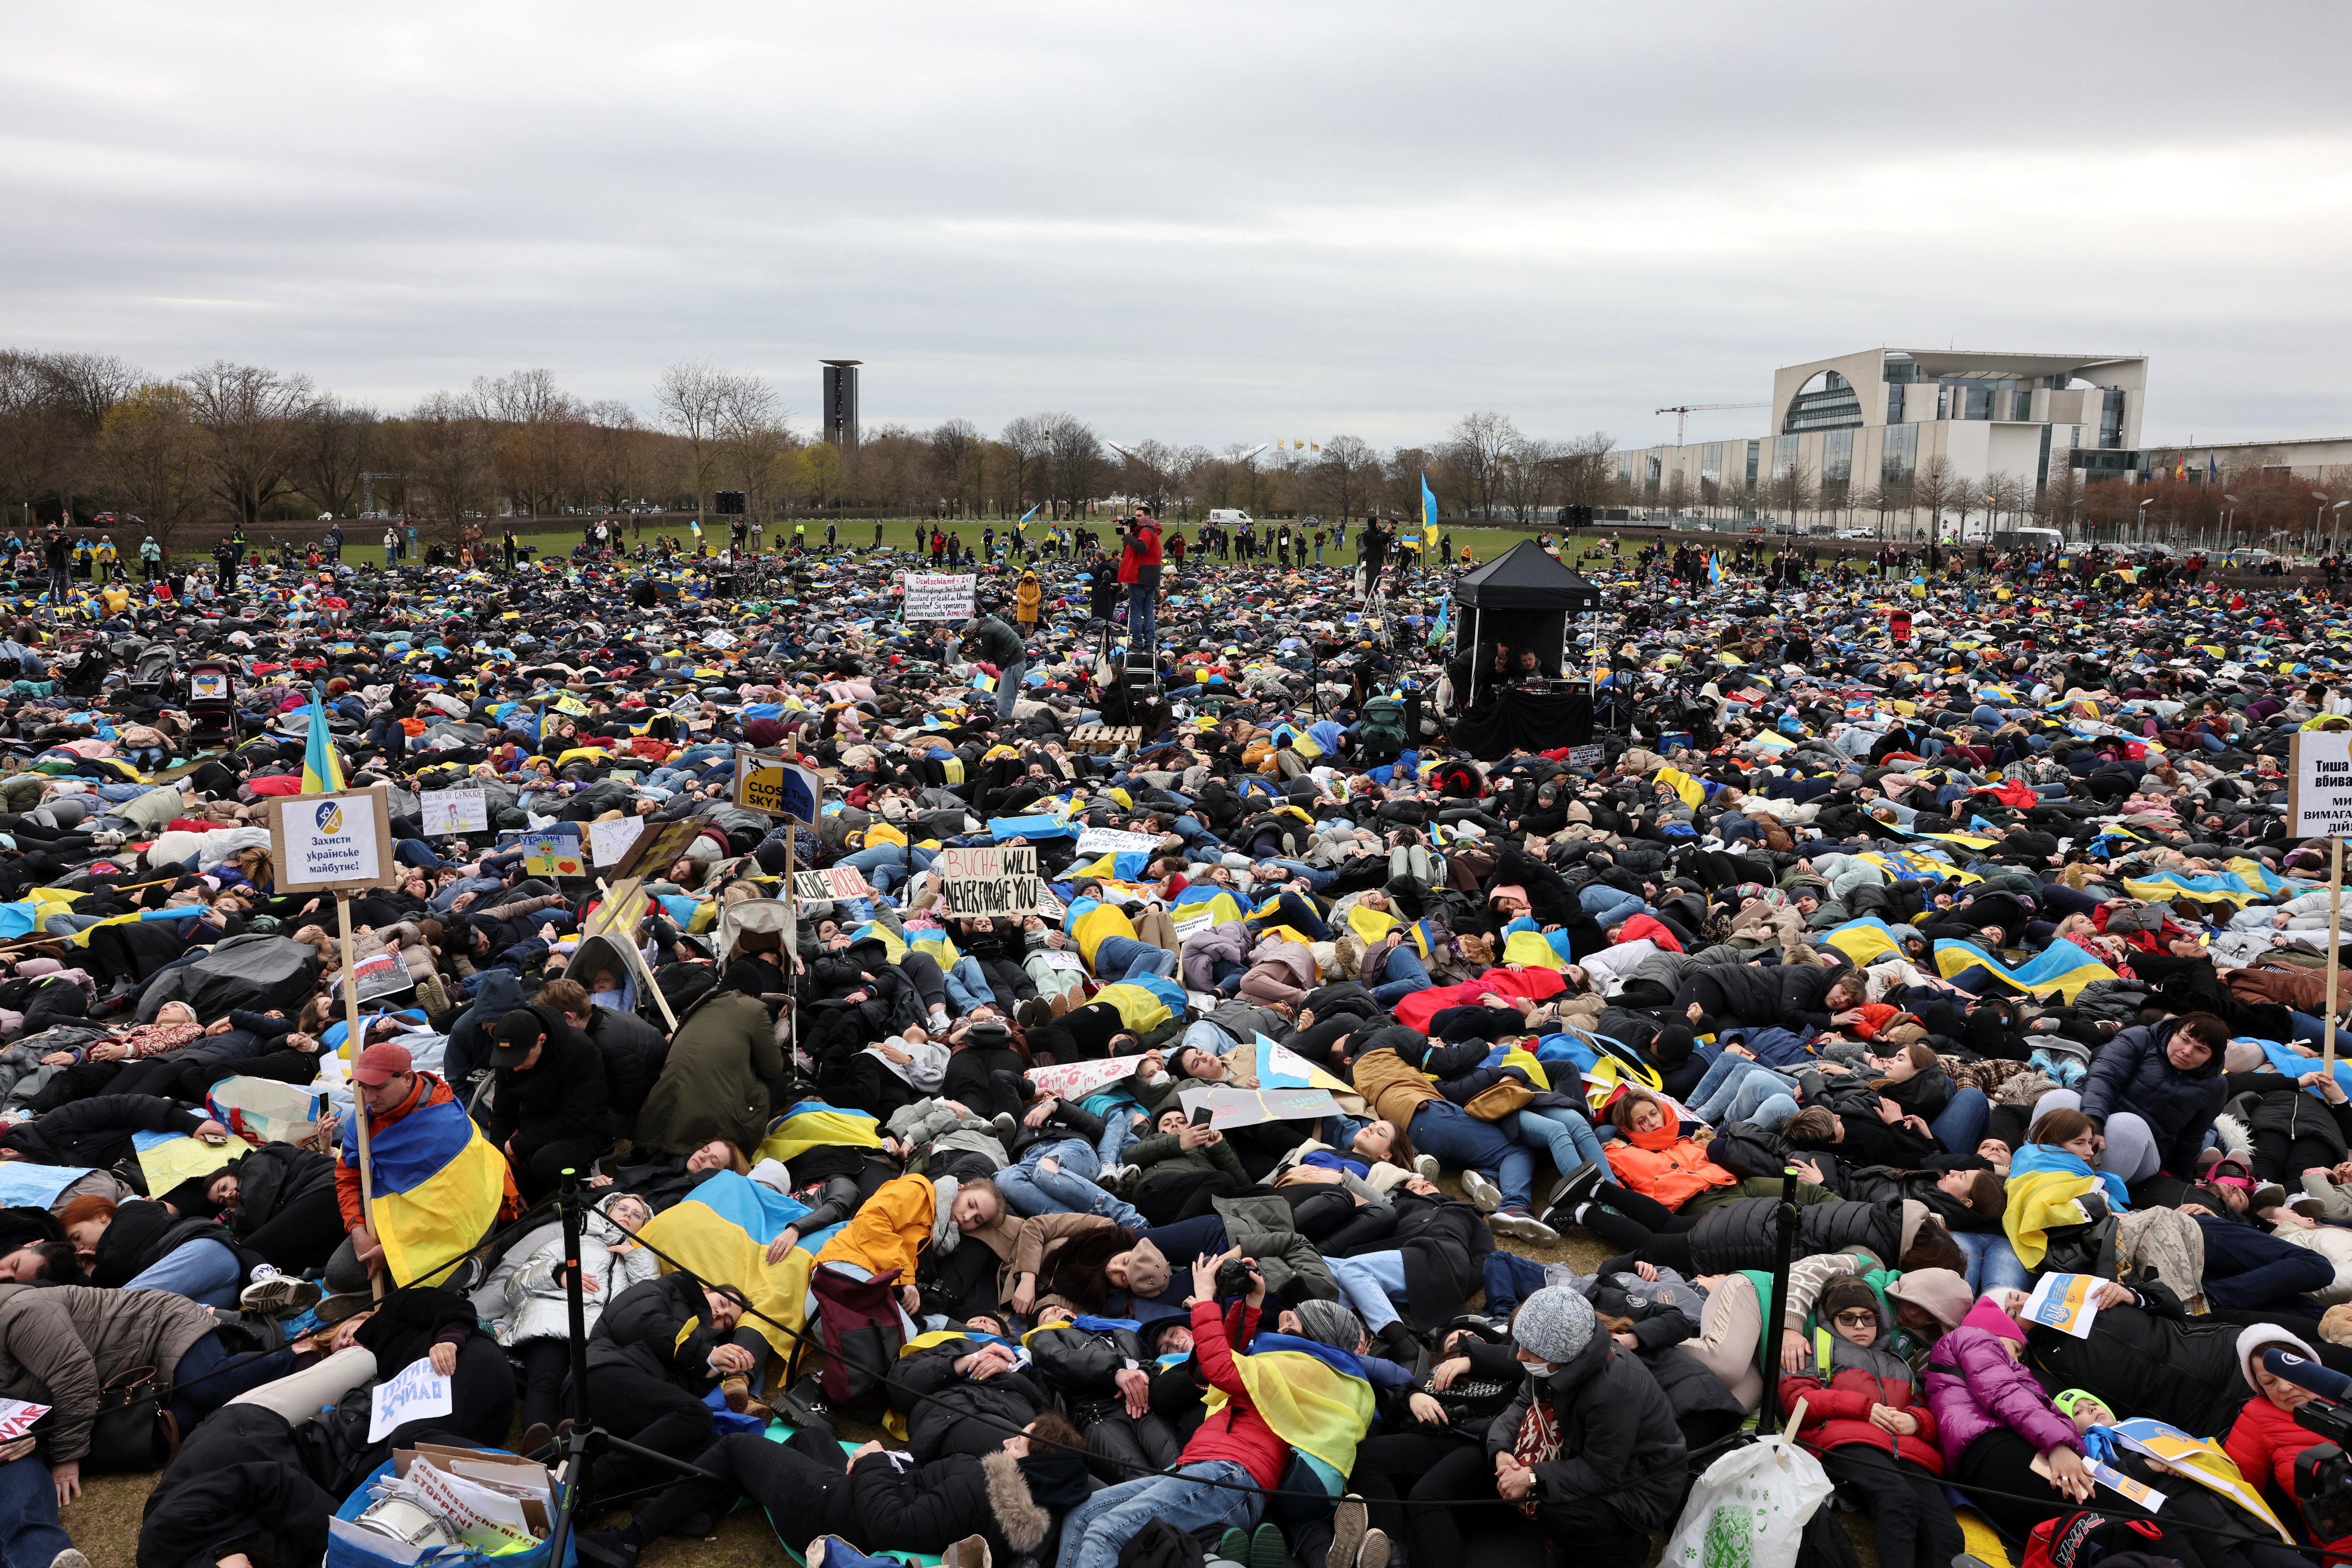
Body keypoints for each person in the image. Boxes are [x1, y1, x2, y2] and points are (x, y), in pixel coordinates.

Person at [1777, 1272, 1959, 1568]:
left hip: (1907, 1452)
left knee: (1945, 1529)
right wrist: (1863, 1408)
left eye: (1868, 1318)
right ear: (1831, 1320)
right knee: (1897, 1499)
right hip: (1845, 1444)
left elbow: (1924, 1409)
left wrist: (1915, 1421)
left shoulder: (1899, 1363)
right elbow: (1796, 1403)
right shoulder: (1811, 1349)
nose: (1860, 1326)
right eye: (1847, 1318)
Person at [1115, 507, 1162, 657]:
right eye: (1136, 515)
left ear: (1148, 518)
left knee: (1136, 612)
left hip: (1141, 577)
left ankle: (1137, 642)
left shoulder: (1147, 531)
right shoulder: (1152, 531)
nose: (1136, 518)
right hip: (1150, 578)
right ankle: (1149, 643)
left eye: (1140, 515)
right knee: (1148, 612)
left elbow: (1142, 548)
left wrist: (1128, 535)